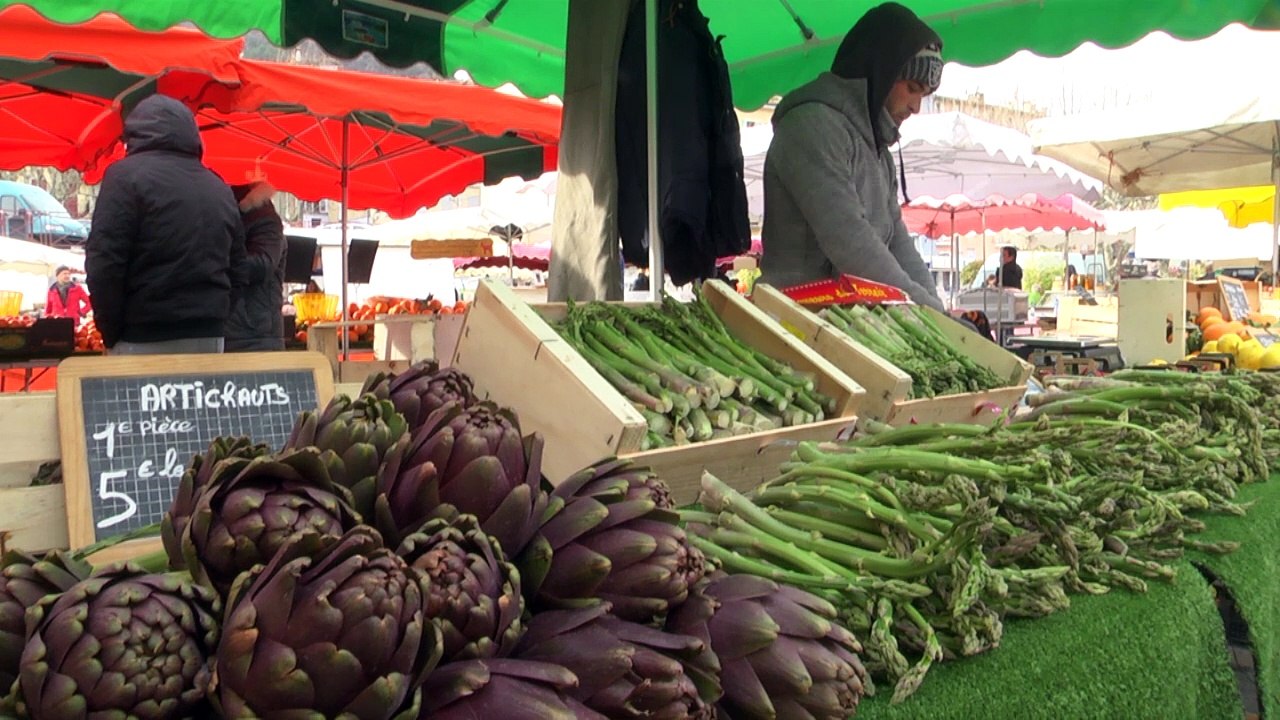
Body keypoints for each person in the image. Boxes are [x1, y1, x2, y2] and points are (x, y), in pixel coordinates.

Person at [760, 2, 945, 312]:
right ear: (882, 71)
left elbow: (898, 243)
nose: (916, 106)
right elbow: (851, 244)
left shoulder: (879, 152)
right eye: (912, 88)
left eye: (924, 95)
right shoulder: (811, 127)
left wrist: (937, 313)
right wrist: (925, 311)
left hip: (846, 325)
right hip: (793, 323)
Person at [86, 96, 247, 355]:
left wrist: (111, 331)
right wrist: (217, 317)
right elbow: (239, 267)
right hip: (209, 334)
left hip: (142, 334)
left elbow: (104, 261)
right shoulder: (218, 186)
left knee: (134, 398)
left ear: (134, 135)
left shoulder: (124, 177)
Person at [225, 180, 287, 351]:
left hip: (255, 334)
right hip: (241, 329)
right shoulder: (236, 217)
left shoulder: (264, 219)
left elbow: (262, 264)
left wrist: (215, 261)